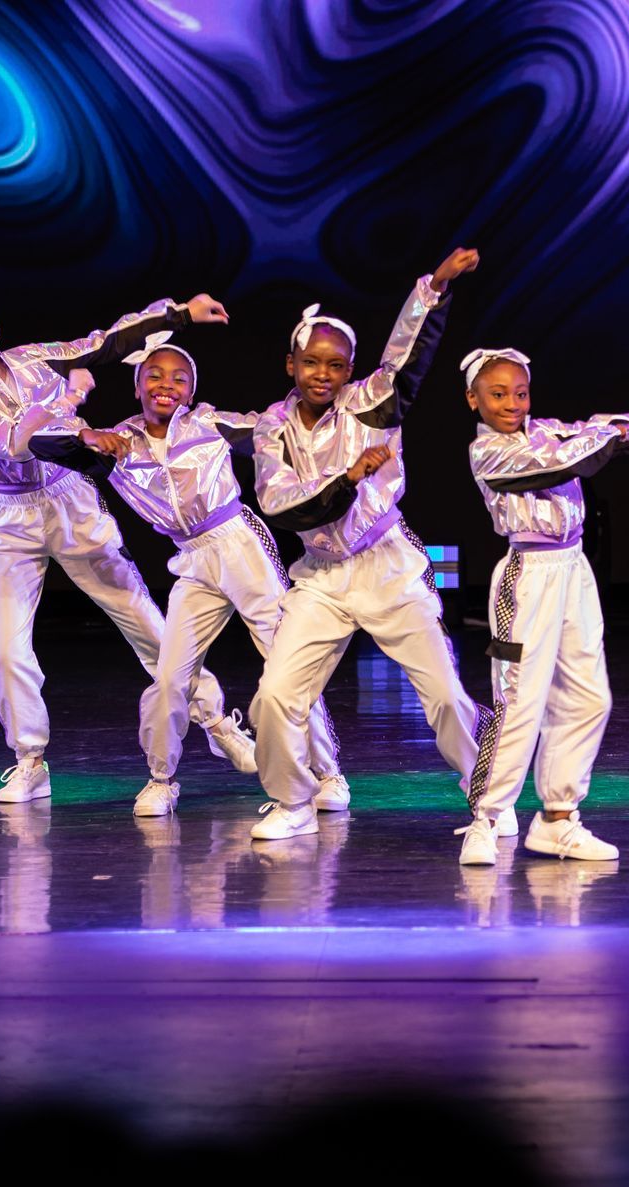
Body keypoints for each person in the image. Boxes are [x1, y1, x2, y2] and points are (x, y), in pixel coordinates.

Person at [0, 283, 252, 802]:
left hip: (69, 502)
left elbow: (105, 343)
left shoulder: (37, 359)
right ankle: (29, 761)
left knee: (145, 621)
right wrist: (72, 402)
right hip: (10, 518)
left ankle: (218, 723)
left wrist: (180, 314)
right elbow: (16, 444)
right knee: (8, 649)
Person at [29, 332, 344, 816]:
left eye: (179, 378)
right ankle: (162, 778)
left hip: (239, 546)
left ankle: (327, 773)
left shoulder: (208, 424)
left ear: (191, 392)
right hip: (192, 561)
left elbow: (274, 426)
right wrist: (85, 434)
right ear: (136, 386)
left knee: (286, 658)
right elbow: (37, 442)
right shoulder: (120, 443)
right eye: (153, 375)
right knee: (171, 673)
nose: (165, 385)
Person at [461, 345, 629, 864]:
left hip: (574, 570)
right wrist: (611, 437)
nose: (512, 403)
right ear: (473, 399)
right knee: (519, 701)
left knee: (588, 697)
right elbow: (566, 461)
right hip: (528, 575)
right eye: (498, 394)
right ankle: (486, 817)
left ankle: (557, 819)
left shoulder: (549, 431)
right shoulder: (489, 452)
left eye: (520, 393)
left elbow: (623, 424)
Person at [246, 248, 483, 851]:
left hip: (386, 567)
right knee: (275, 696)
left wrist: (433, 288)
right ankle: (293, 799)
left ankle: (487, 796)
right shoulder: (272, 428)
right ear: (291, 363)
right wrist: (350, 478)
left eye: (336, 365)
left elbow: (408, 361)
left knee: (446, 694)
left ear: (349, 369)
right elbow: (284, 506)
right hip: (321, 577)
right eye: (311, 363)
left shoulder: (370, 405)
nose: (323, 374)